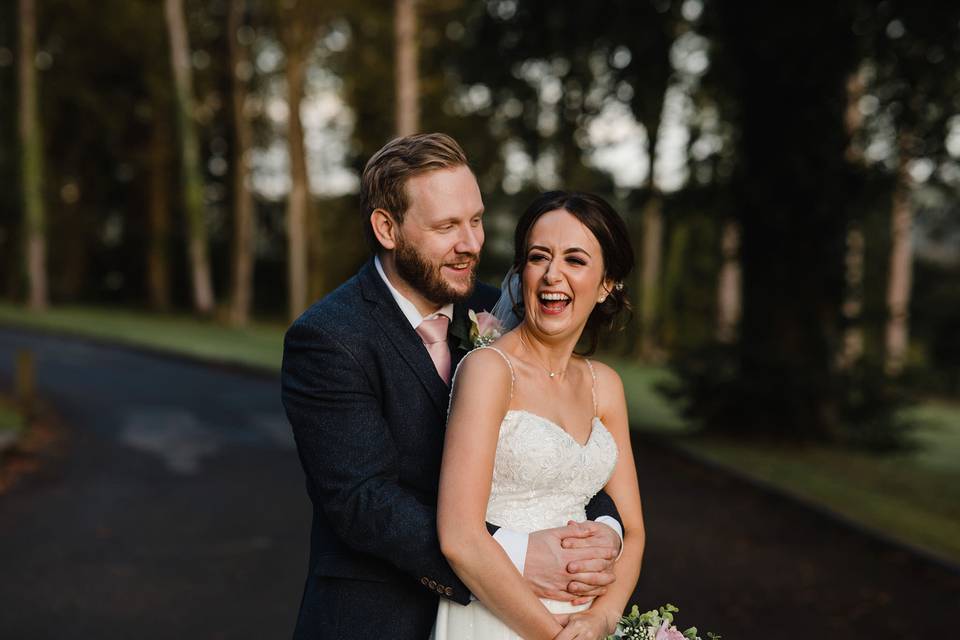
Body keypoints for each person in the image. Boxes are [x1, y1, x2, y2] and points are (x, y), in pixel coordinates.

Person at [281, 134, 625, 640]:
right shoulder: (329, 338)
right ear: (386, 228)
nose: (471, 244)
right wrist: (514, 553)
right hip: (382, 617)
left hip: (518, 616)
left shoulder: (502, 311)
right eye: (446, 227)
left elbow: (567, 436)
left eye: (476, 219)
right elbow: (362, 501)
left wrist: (605, 534)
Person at [434, 191, 645, 639]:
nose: (553, 275)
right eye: (539, 257)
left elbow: (634, 530)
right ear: (521, 271)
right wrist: (551, 635)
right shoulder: (489, 371)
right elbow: (459, 537)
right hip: (496, 617)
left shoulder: (604, 385)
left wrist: (602, 619)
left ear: (607, 282)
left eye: (575, 260)